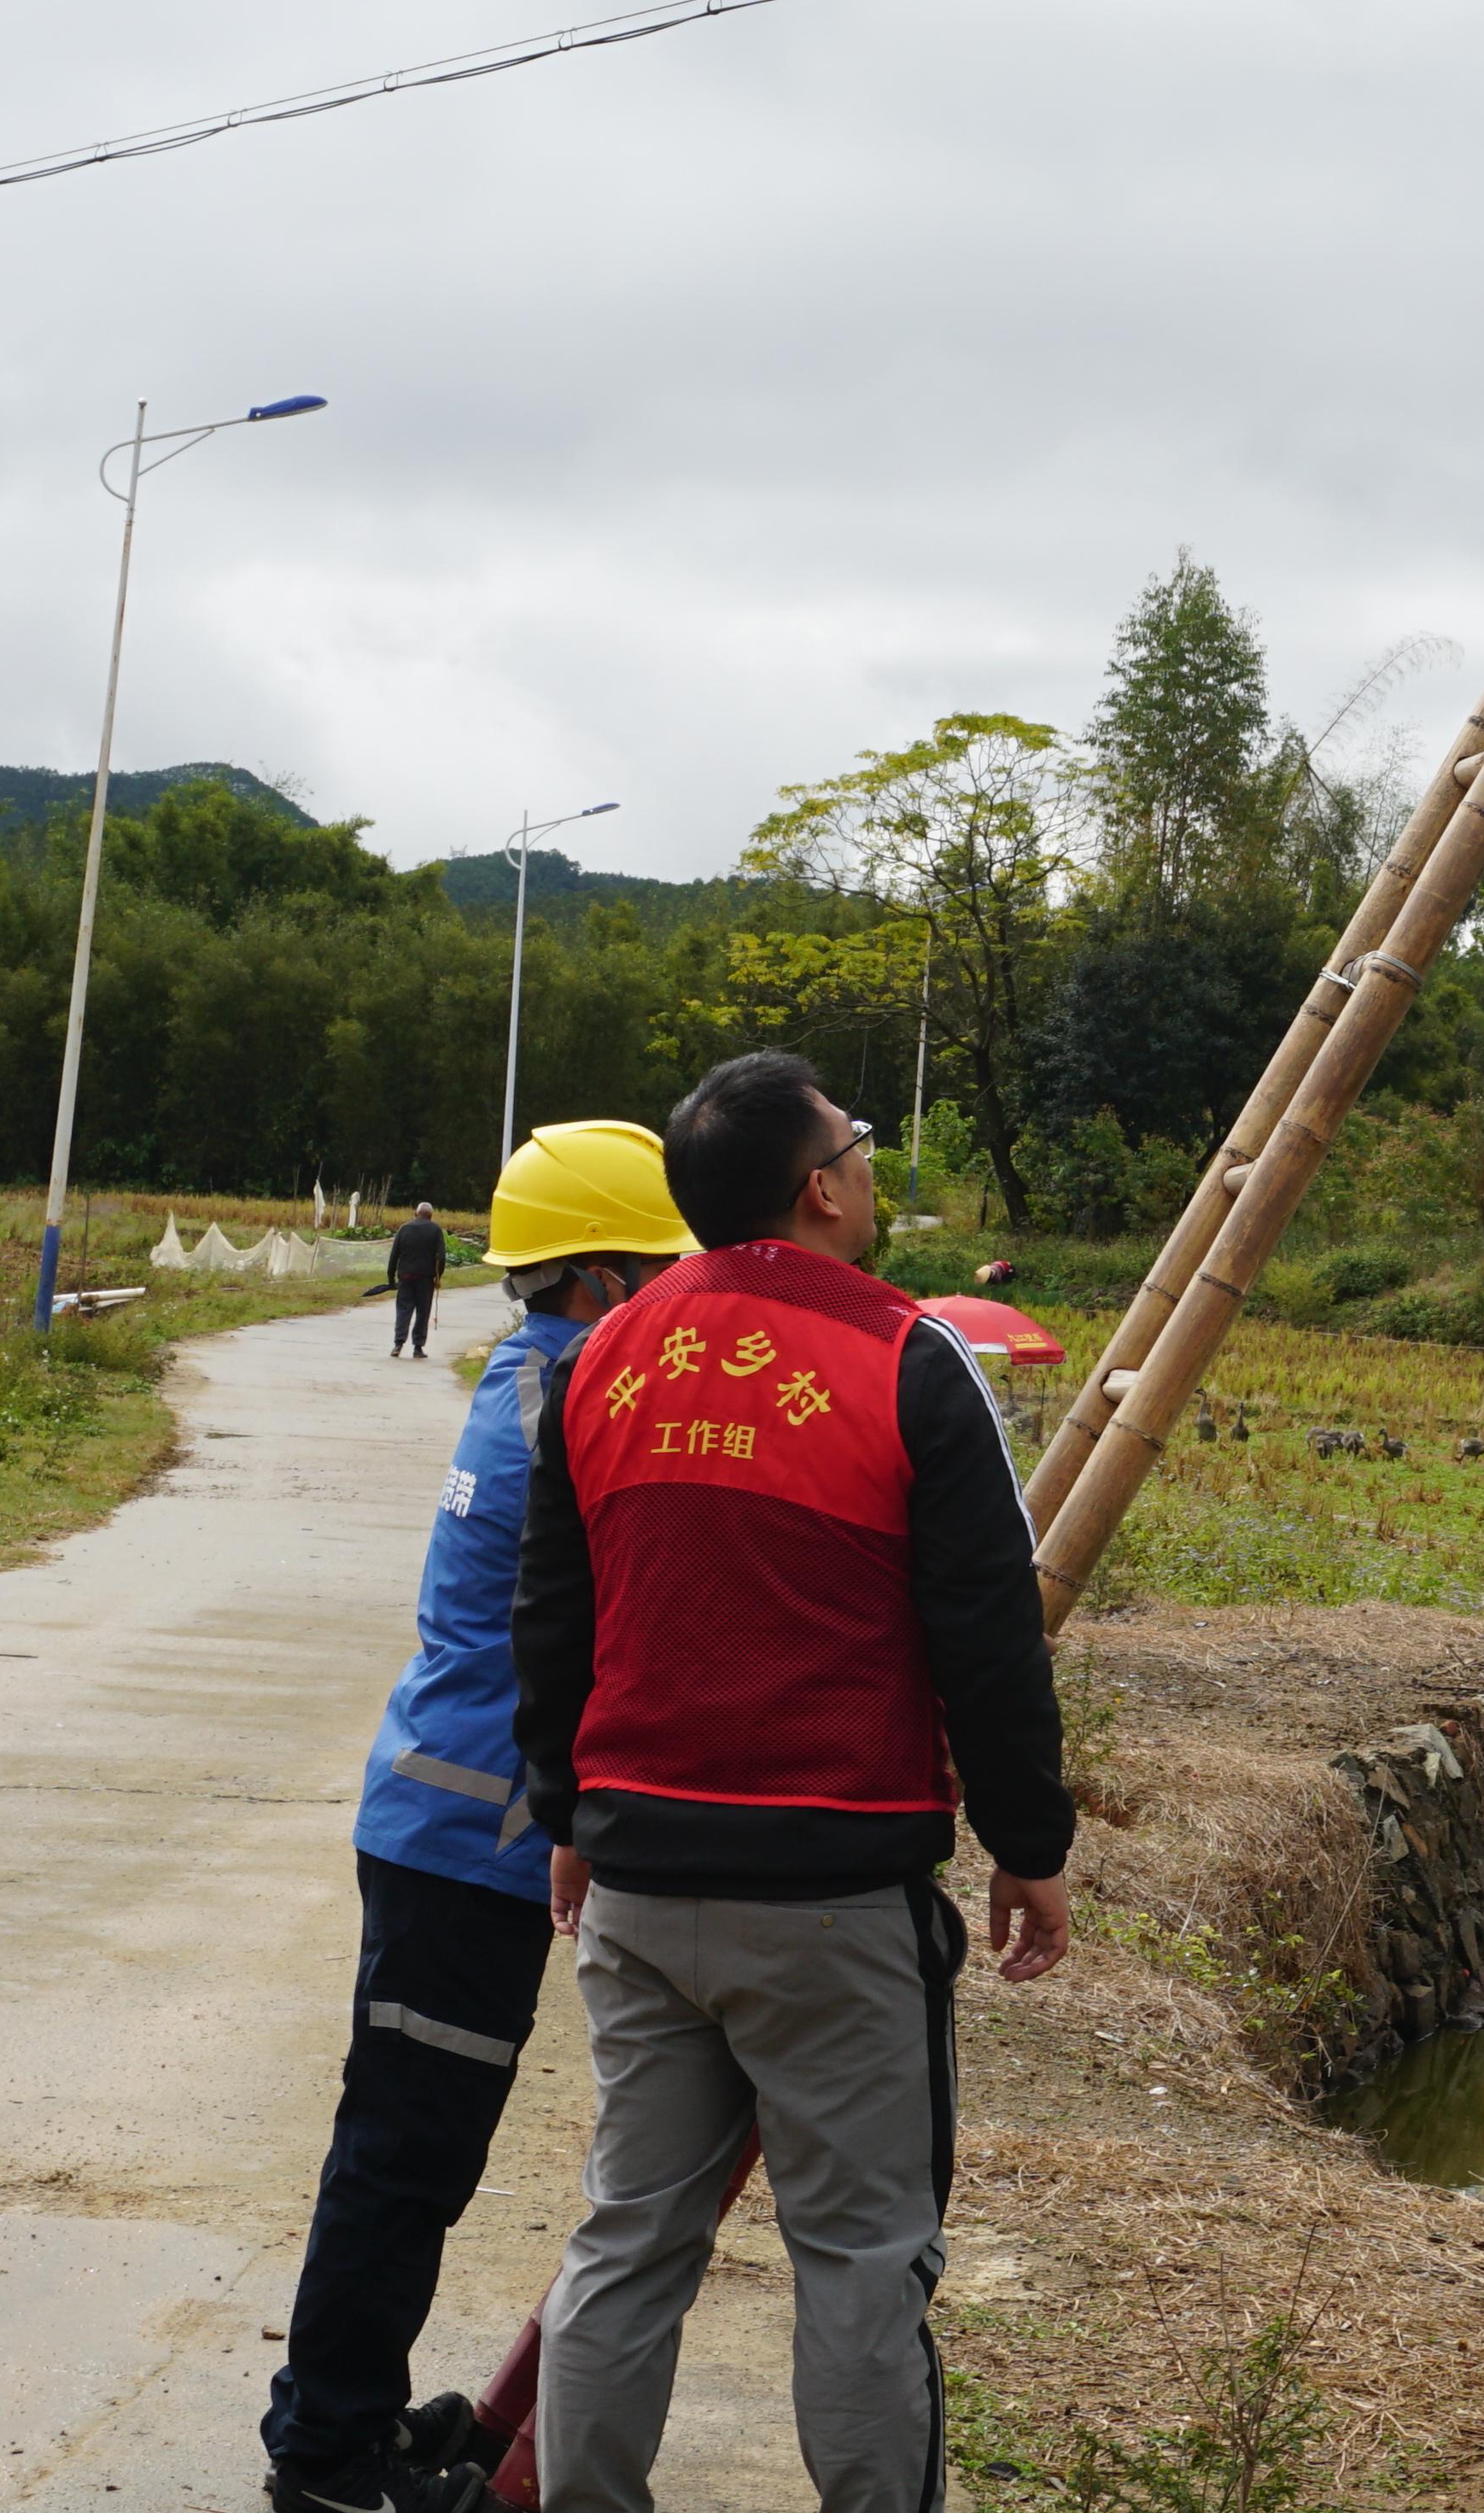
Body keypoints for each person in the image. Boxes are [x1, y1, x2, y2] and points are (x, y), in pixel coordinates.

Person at [515, 1051, 1073, 2513]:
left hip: (638, 1881)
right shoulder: (907, 1356)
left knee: (628, 2236)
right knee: (861, 2259)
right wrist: (1029, 1840)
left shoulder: (607, 1356)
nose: (871, 1165)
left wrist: (570, 1816)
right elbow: (986, 1625)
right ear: (819, 1187)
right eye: (860, 1144)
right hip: (834, 1896)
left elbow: (554, 1615)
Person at [258, 1122, 695, 2513]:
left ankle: (353, 2419)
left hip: (449, 1832)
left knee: (409, 2150)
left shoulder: (533, 1374)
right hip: (469, 1845)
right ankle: (328, 2457)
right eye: (664, 1278)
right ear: (607, 1281)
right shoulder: (578, 1403)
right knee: (403, 2159)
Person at [383, 1197, 450, 1360]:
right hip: (425, 1279)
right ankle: (418, 1348)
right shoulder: (435, 1230)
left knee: (404, 1310)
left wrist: (391, 1279)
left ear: (416, 1213)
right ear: (431, 1216)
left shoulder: (404, 1229)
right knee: (422, 1312)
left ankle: (398, 1344)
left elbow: (394, 1256)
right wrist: (438, 1277)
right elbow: (441, 1257)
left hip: (405, 1277)